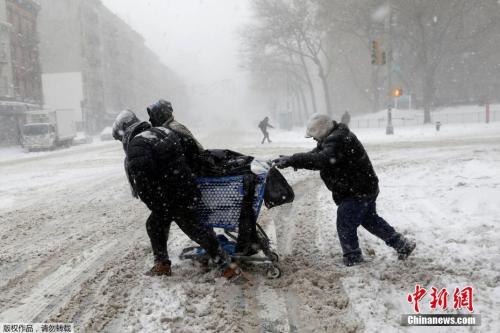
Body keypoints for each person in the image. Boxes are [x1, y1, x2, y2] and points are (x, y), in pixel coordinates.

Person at [273, 113, 416, 266]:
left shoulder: (338, 139)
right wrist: (292, 159)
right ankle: (402, 245)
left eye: (314, 135)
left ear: (322, 130)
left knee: (345, 221)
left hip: (357, 190)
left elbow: (322, 159)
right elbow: (317, 154)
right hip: (363, 187)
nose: (314, 139)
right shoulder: (334, 137)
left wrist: (293, 160)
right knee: (369, 219)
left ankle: (352, 257)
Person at [112, 110, 239, 278]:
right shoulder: (162, 131)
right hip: (185, 188)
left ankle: (227, 267)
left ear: (125, 130)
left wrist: (158, 204)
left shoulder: (137, 145)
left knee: (196, 230)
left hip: (171, 197)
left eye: (120, 137)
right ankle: (162, 265)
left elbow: (143, 183)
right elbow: (189, 150)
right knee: (156, 224)